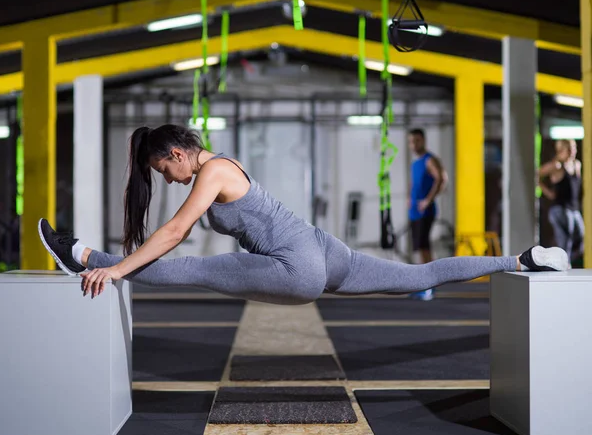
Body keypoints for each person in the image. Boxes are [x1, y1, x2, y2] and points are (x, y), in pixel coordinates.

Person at [38, 124, 568, 301]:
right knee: (416, 277)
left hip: (301, 266)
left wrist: (115, 267)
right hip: (325, 251)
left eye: (163, 171)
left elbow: (176, 232)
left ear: (177, 155)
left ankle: (82, 254)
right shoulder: (221, 165)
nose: (168, 180)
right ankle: (526, 260)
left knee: (192, 268)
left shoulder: (212, 172)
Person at [407, 128, 448, 301]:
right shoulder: (415, 163)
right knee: (419, 248)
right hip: (415, 212)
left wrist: (428, 200)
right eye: (411, 141)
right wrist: (410, 199)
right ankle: (424, 285)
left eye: (417, 140)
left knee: (424, 248)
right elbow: (415, 185)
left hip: (425, 211)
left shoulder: (429, 160)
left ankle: (429, 286)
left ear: (423, 141)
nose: (414, 144)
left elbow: (442, 179)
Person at [539, 139, 584, 267]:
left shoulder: (576, 165)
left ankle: (561, 261)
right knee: (565, 239)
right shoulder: (556, 166)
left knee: (580, 237)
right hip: (560, 208)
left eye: (573, 148)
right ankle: (563, 264)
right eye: (569, 149)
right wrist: (548, 192)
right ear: (561, 151)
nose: (572, 152)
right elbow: (537, 175)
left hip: (573, 208)